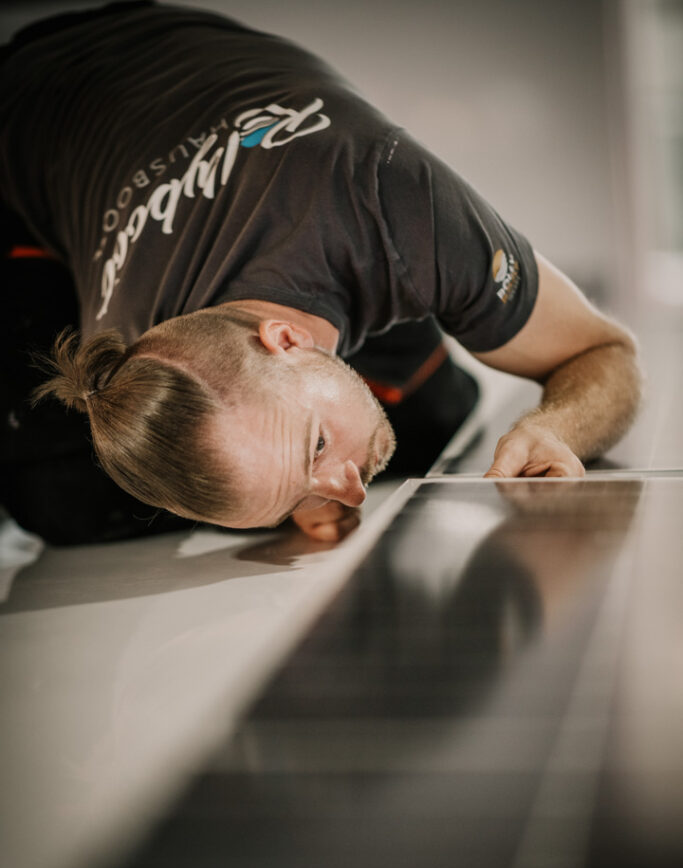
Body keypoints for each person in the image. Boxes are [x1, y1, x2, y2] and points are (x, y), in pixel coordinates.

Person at [0, 1, 642, 545]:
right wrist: (293, 489)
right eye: (292, 501)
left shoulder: (394, 201)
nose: (349, 493)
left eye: (314, 449)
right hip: (56, 138)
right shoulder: (132, 361)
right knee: (61, 495)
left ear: (286, 339)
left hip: (72, 76)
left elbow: (605, 348)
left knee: (57, 499)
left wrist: (556, 426)